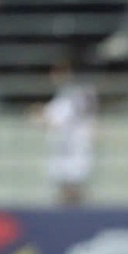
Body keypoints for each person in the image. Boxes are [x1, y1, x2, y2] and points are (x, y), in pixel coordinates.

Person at [39, 48, 98, 207]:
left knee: (74, 194)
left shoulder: (79, 94)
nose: (53, 75)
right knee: (64, 195)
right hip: (63, 151)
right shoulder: (64, 95)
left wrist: (41, 116)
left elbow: (56, 120)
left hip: (75, 152)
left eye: (59, 71)